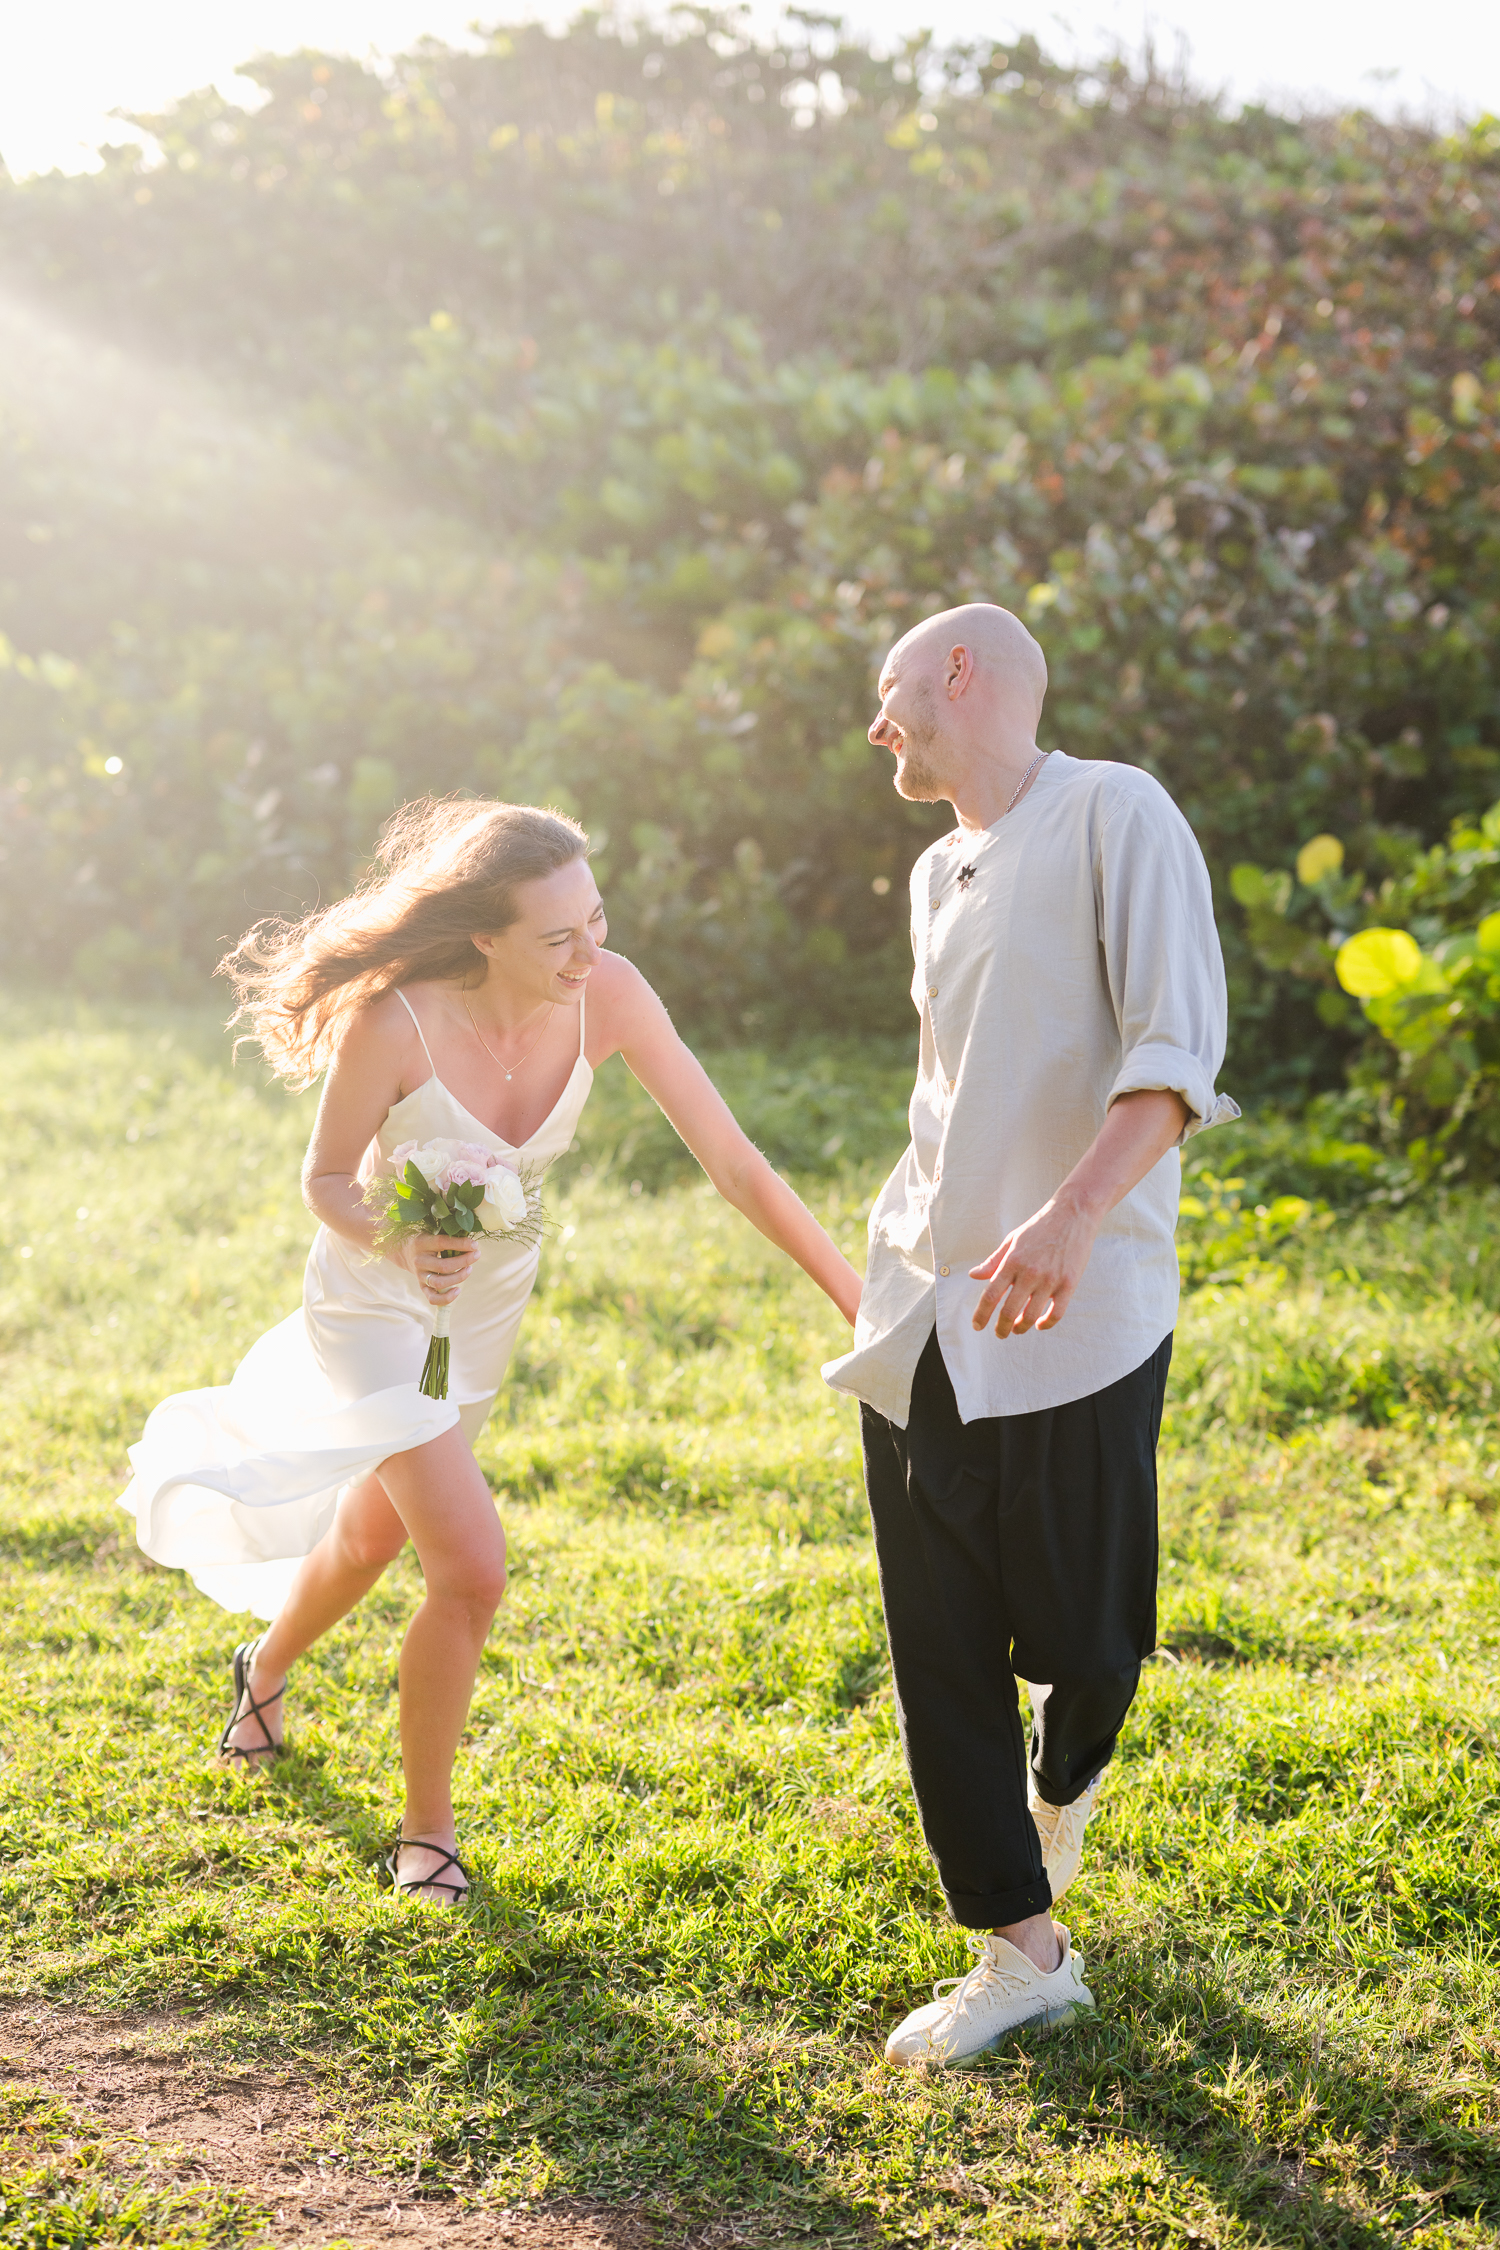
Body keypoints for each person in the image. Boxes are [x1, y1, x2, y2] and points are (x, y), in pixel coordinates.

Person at [122, 798, 861, 1903]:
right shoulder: (395, 1023)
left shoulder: (608, 994)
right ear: (484, 936)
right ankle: (428, 1837)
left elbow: (736, 1164)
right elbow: (325, 1182)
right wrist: (399, 1234)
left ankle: (262, 1669)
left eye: (596, 922)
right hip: (376, 1311)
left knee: (373, 1535)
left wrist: (855, 1298)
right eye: (556, 937)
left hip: (479, 1319)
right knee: (469, 1568)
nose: (588, 953)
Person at [822, 603, 1237, 2064]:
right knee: (935, 1638)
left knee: (1087, 1633)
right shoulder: (938, 867)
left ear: (958, 674)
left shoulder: (1115, 811)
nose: (878, 730)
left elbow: (1172, 1050)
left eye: (889, 696)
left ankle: (1066, 1780)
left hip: (1079, 1310)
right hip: (925, 1305)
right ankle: (1019, 1945)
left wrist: (1066, 1216)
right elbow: (952, 1092)